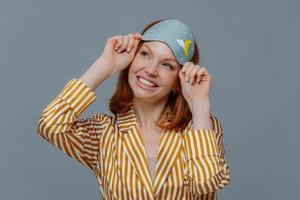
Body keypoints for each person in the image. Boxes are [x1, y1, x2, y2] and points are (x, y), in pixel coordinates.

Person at [37, 18, 230, 200]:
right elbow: (50, 125)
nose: (151, 70)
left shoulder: (200, 127)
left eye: (167, 65)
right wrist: (106, 65)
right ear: (132, 60)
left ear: (178, 80)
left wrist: (199, 104)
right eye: (145, 54)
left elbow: (206, 182)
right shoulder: (104, 133)